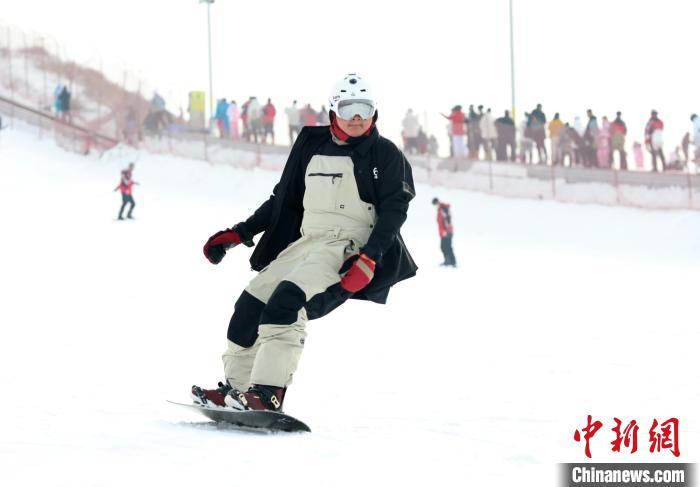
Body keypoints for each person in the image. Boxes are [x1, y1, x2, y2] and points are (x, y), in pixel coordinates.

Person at [191, 74, 417, 412]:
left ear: (374, 112)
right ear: (333, 110)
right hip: (306, 243)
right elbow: (285, 199)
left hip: (348, 247)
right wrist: (240, 233)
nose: (357, 117)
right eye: (348, 108)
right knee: (249, 306)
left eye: (364, 109)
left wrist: (369, 258)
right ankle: (236, 391)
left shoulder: (384, 154)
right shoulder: (312, 146)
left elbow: (394, 210)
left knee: (286, 302)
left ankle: (267, 395)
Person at [432, 198, 456, 267]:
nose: (435, 206)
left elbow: (447, 220)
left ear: (437, 202)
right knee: (444, 247)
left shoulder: (443, 209)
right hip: (444, 232)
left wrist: (446, 231)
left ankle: (451, 262)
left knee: (446, 247)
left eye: (435, 204)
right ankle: (449, 261)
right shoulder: (441, 209)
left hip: (447, 232)